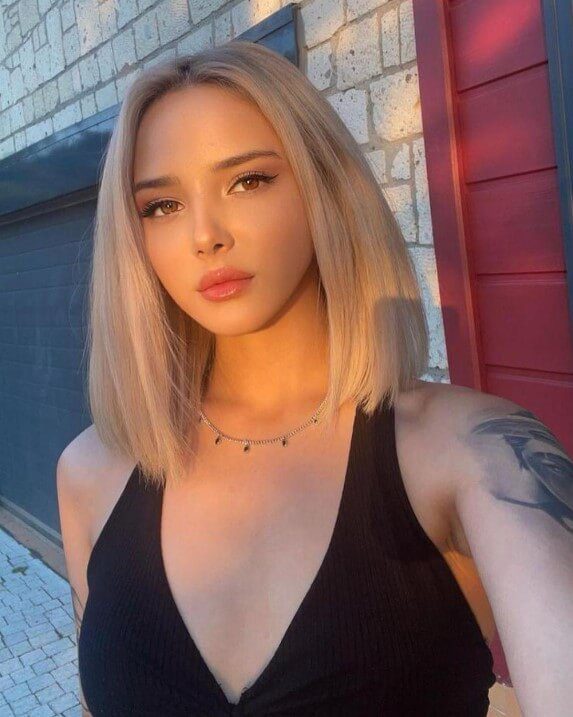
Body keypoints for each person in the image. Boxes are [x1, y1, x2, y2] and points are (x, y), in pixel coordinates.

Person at [56, 41, 573, 717]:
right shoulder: (91, 473)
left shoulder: (470, 451)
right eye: (161, 205)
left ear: (323, 187)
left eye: (249, 180)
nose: (205, 235)